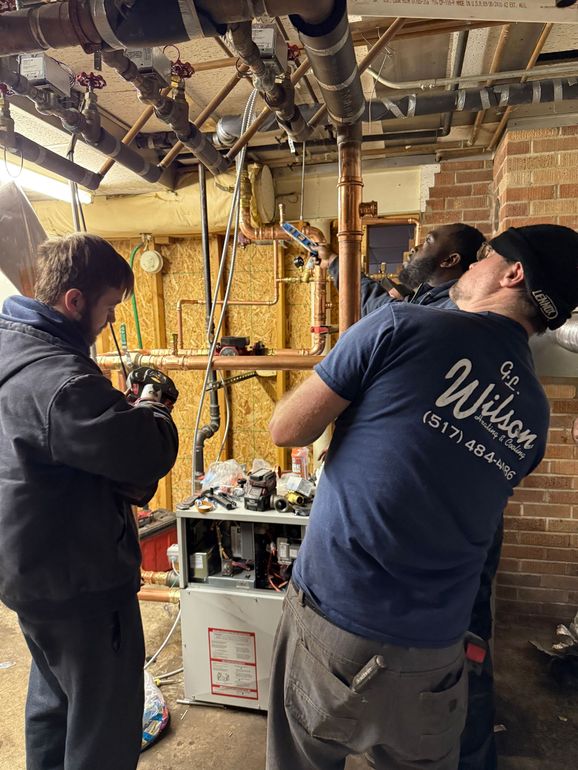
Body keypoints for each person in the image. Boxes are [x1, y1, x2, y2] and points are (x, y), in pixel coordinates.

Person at [266, 224, 578, 770]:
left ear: (513, 273)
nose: (472, 266)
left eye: (483, 256)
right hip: (437, 654)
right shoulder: (535, 415)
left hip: (336, 623)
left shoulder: (399, 325)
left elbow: (286, 429)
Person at [323, 222, 502, 769]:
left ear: (451, 262)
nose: (412, 249)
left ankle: (468, 755)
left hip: (438, 526)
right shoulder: (433, 306)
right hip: (455, 515)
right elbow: (386, 306)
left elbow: (289, 426)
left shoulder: (443, 321)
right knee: (453, 648)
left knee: (459, 655)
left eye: (426, 244)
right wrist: (337, 265)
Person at [0, 233, 179, 770]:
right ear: (74, 300)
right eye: (108, 307)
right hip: (83, 584)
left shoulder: (12, 348)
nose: (109, 321)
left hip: (27, 574)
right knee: (103, 722)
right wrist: (155, 403)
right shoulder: (64, 382)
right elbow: (146, 454)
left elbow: (53, 446)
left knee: (54, 704)